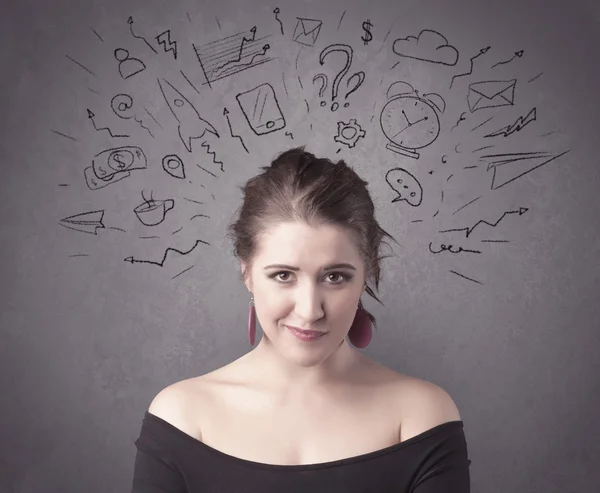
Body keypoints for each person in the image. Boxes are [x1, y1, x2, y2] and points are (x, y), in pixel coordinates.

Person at [131, 147, 471, 492]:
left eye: (335, 277)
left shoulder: (422, 416)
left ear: (365, 275)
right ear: (247, 273)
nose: (310, 310)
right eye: (283, 276)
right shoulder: (183, 417)